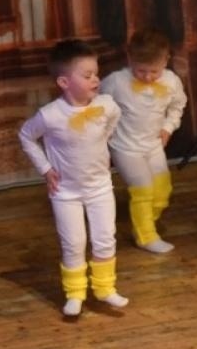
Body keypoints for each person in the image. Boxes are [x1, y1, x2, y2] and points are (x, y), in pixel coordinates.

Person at [18, 39, 125, 317]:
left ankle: (104, 288)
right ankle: (75, 293)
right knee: (74, 242)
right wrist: (44, 168)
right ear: (64, 82)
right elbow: (27, 136)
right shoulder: (51, 114)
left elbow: (112, 122)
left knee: (105, 238)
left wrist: (106, 143)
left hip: (100, 186)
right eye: (87, 75)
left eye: (96, 74)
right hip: (65, 191)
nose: (95, 79)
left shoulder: (107, 105)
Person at [100, 28, 187, 253]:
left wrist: (168, 127)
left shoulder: (171, 81)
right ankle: (145, 235)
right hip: (125, 148)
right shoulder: (116, 82)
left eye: (154, 71)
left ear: (166, 60)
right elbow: (99, 107)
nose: (148, 77)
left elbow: (178, 106)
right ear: (129, 58)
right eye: (141, 71)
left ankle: (145, 219)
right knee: (143, 188)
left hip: (154, 145)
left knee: (162, 191)